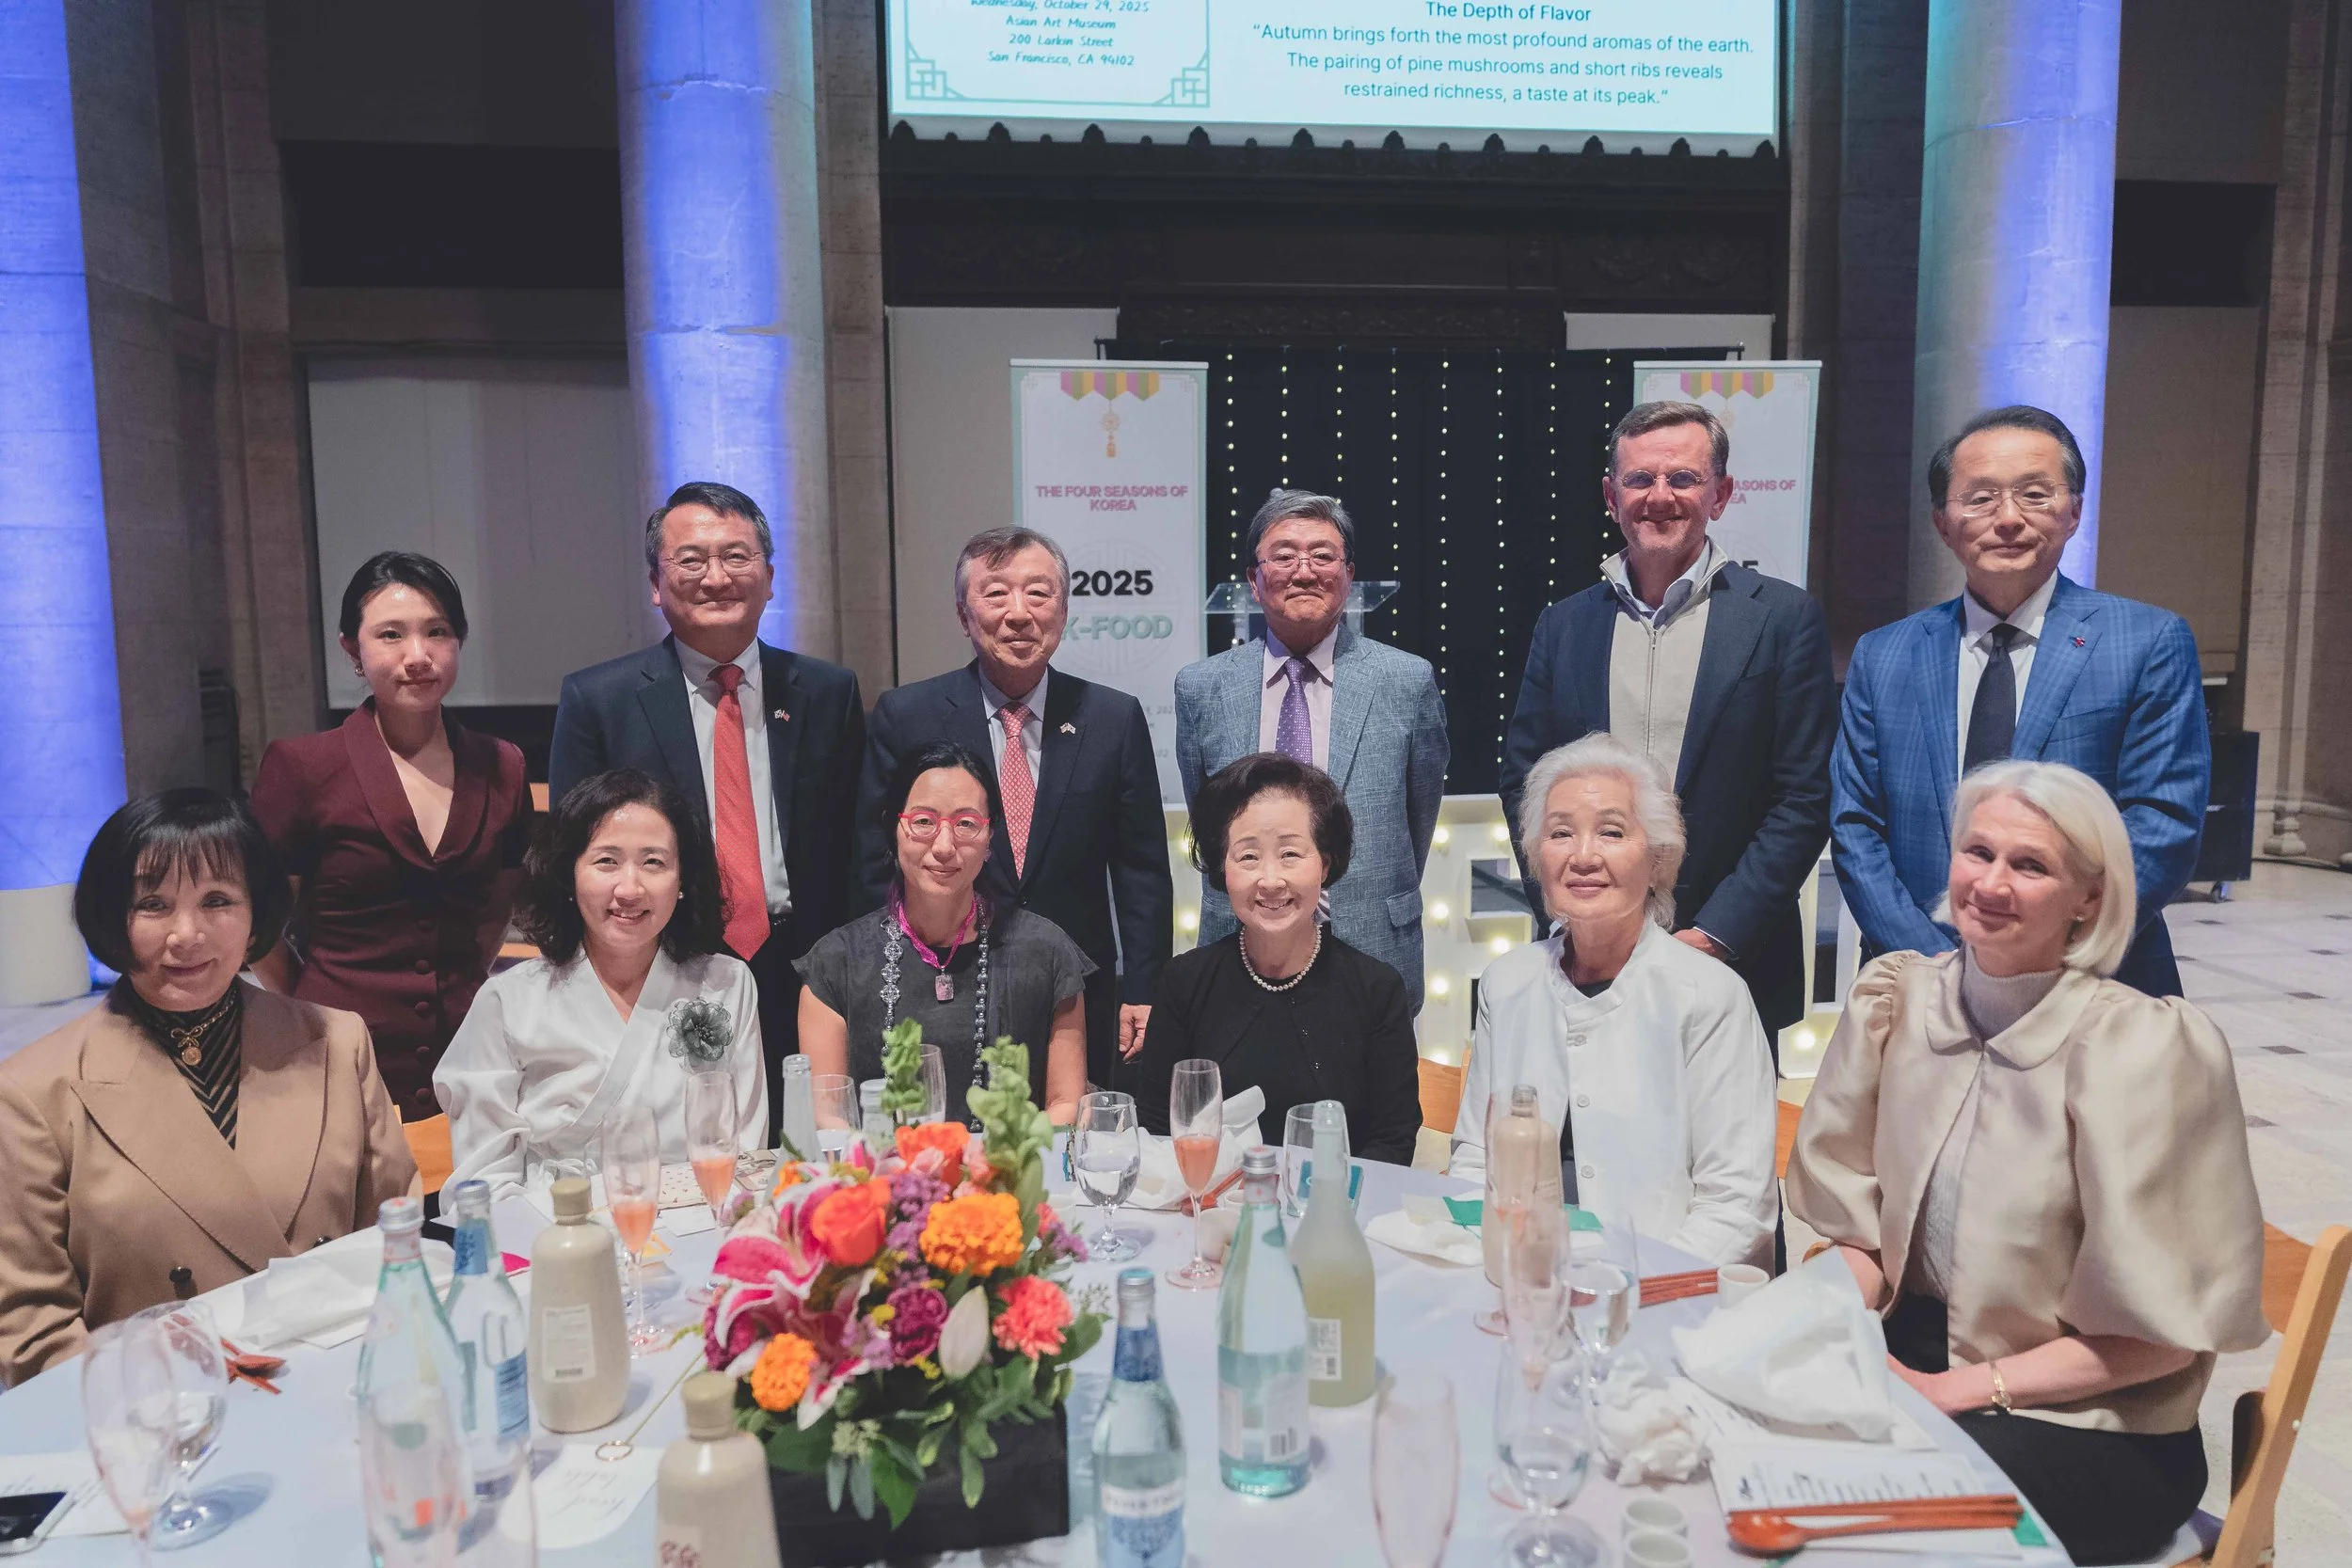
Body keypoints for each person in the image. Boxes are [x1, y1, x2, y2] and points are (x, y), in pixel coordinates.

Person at [1787, 760, 2265, 1565]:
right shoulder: (1897, 1001)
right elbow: (1866, 1242)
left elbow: (2163, 1340)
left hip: (2094, 1422)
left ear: (2089, 897)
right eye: (1979, 852)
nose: (1992, 883)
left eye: (2030, 864)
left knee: (1860, 1520)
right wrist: (1797, 1326)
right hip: (1919, 1356)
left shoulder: (2143, 1048)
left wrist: (1953, 1394)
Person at [0, 791, 416, 1385]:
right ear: (112, 918)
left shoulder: (337, 1042)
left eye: (217, 900)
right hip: (161, 1425)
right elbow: (33, 1331)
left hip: (344, 1391)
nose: (187, 934)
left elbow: (397, 1240)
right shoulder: (31, 1092)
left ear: (256, 917)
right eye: (153, 905)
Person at [1833, 404, 2210, 997]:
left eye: (2034, 494)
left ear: (2074, 511)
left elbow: (2162, 823)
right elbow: (1857, 825)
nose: (2008, 519)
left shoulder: (2146, 642)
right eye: (1980, 498)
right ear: (1943, 522)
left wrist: (2037, 957)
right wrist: (1933, 963)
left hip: (2091, 980)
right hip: (1917, 980)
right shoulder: (1885, 655)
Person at [1500, 401, 1835, 1040]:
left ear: (1721, 494)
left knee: (1724, 1142)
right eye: (1639, 479)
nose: (1660, 496)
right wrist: (1575, 911)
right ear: (1610, 494)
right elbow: (1523, 780)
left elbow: (1805, 796)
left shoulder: (1784, 621)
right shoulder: (1564, 625)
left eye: (1682, 478)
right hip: (1583, 956)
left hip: (1733, 959)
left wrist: (1714, 936)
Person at [548, 482, 866, 1128]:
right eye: (691, 560)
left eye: (737, 557)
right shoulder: (599, 699)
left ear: (770, 578)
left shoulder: (827, 692)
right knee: (688, 1147)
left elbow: (855, 846)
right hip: (665, 965)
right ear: (656, 585)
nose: (716, 576)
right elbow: (569, 853)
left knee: (809, 1149)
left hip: (804, 969)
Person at [857, 527, 1171, 1088]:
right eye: (996, 593)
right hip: (941, 979)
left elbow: (1141, 870)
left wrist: (1145, 990)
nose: (1019, 613)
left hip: (1078, 989)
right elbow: (874, 861)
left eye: (1039, 593)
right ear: (963, 613)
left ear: (1065, 609)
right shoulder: (907, 715)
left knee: (1073, 1139)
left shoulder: (1111, 719)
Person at [1452, 734, 1776, 1270]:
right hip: (1522, 1276)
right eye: (1560, 833)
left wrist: (1626, 1294)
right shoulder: (1505, 984)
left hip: (1667, 1294)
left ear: (1658, 859)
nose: (1583, 856)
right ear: (1536, 857)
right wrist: (1482, 1269)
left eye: (1611, 831)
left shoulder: (1710, 997)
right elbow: (1474, 1160)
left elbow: (1737, 1208)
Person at [250, 551, 532, 1120]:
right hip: (336, 1047)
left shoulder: (501, 764)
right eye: (390, 635)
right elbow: (258, 922)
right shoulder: (301, 766)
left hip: (471, 1045)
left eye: (437, 632)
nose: (418, 656)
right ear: (352, 650)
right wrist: (304, 1005)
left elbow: (498, 903)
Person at [1175, 489, 1448, 1012]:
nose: (1304, 571)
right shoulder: (1201, 687)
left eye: (1323, 555)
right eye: (1283, 556)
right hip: (1237, 942)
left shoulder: (1406, 680)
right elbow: (1210, 820)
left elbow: (1419, 817)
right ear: (1254, 581)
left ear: (1348, 575)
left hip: (1371, 938)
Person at [434, 769, 767, 1197]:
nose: (630, 888)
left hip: (699, 1224)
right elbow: (483, 1185)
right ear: (569, 876)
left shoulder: (727, 983)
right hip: (557, 1233)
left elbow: (748, 1157)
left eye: (654, 863)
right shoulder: (509, 1000)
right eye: (606, 861)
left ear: (683, 881)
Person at [1131, 753, 1422, 1164]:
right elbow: (1159, 1128)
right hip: (1211, 1211)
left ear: (1325, 862)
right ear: (1222, 868)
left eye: (1290, 854)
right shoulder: (1184, 982)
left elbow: (1392, 1142)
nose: (1270, 880)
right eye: (1248, 856)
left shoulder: (1377, 990)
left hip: (1331, 1213)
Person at [803, 741, 1089, 1125]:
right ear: (894, 828)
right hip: (885, 1178)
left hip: (1009, 1176)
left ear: (990, 839)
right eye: (923, 821)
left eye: (966, 824)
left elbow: (1065, 1104)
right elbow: (827, 1117)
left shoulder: (1048, 953)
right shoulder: (835, 963)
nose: (944, 846)